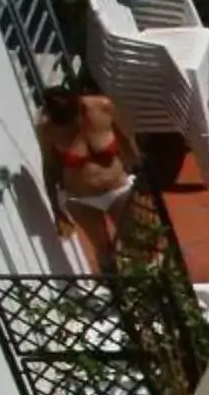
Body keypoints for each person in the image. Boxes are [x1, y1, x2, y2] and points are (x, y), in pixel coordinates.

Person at [38, 83, 138, 274]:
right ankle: (118, 294)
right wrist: (56, 209)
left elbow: (127, 139)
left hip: (117, 190)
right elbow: (49, 168)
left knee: (134, 241)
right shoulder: (48, 130)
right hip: (81, 200)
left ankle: (149, 286)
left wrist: (140, 171)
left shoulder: (103, 106)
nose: (69, 127)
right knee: (103, 250)